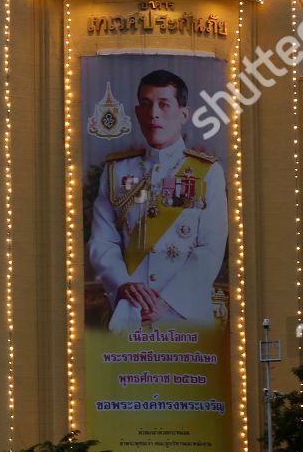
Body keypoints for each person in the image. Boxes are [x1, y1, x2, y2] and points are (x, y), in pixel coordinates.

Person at [87, 68, 227, 331]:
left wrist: (167, 302)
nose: (154, 114)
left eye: (164, 104)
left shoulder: (207, 172)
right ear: (138, 112)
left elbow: (211, 248)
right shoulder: (117, 171)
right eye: (147, 104)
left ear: (183, 114)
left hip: (186, 318)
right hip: (130, 314)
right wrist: (123, 284)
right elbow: (102, 241)